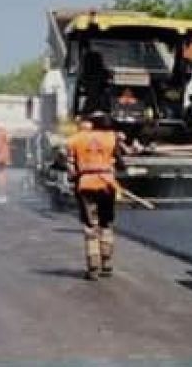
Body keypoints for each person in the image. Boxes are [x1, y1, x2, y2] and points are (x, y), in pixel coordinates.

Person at [67, 111, 125, 280]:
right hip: (107, 184)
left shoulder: (75, 139)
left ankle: (93, 269)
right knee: (106, 223)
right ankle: (107, 264)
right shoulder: (112, 138)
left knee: (91, 226)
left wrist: (76, 176)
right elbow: (121, 164)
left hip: (85, 185)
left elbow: (69, 168)